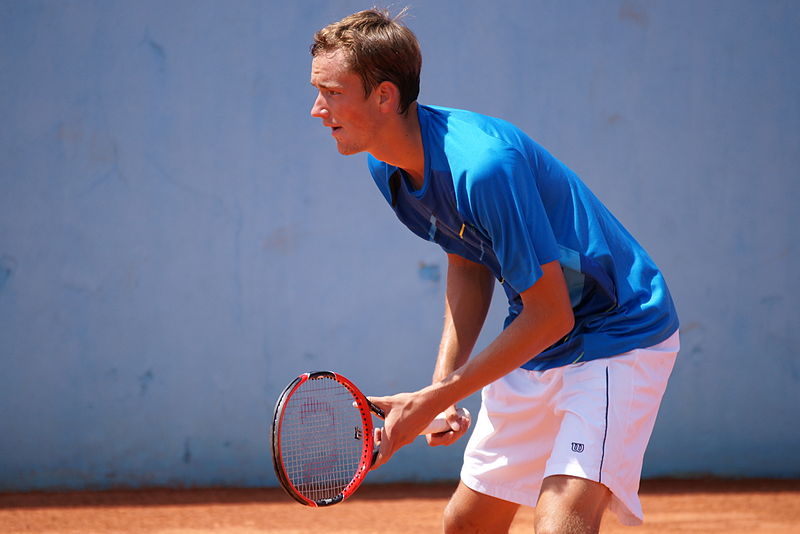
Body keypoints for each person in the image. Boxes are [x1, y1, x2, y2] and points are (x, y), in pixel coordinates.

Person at [308, 8, 679, 534]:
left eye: (332, 91)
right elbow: (468, 260)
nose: (317, 108)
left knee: (560, 524)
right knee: (466, 525)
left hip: (618, 332)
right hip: (542, 337)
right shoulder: (386, 163)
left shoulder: (483, 167)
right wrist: (443, 390)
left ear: (384, 96)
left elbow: (553, 315)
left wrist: (432, 400)